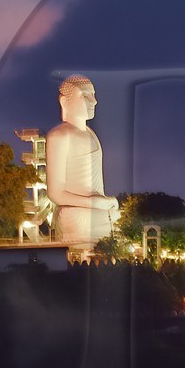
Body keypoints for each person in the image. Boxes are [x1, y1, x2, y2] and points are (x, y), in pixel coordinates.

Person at [38, 75, 118, 244]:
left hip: (96, 210)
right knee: (76, 217)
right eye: (85, 96)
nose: (94, 102)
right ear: (64, 102)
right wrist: (93, 202)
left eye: (94, 95)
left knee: (116, 214)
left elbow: (98, 187)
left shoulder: (91, 134)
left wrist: (104, 202)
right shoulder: (59, 135)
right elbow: (55, 193)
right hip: (75, 213)